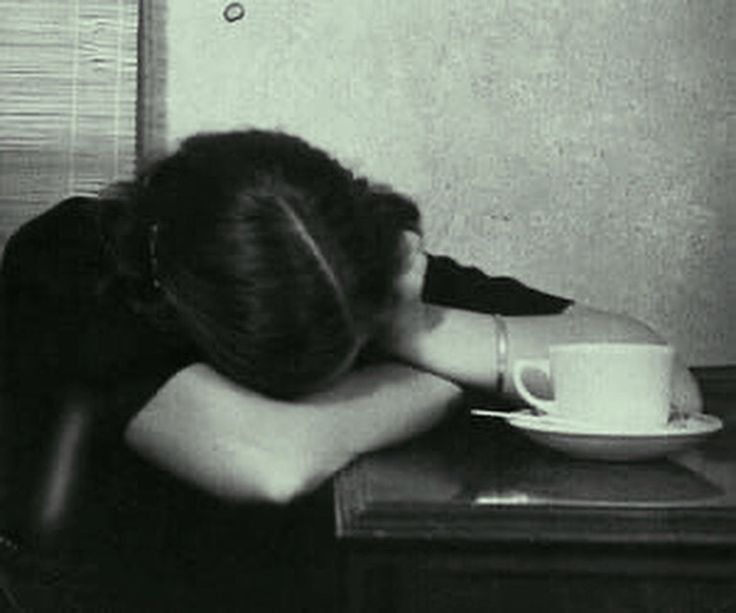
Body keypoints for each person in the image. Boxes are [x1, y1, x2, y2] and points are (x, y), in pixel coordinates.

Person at [0, 130, 702, 609]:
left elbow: (657, 377)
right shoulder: (72, 259)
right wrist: (437, 375)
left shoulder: (334, 253)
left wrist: (410, 325)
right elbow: (270, 459)